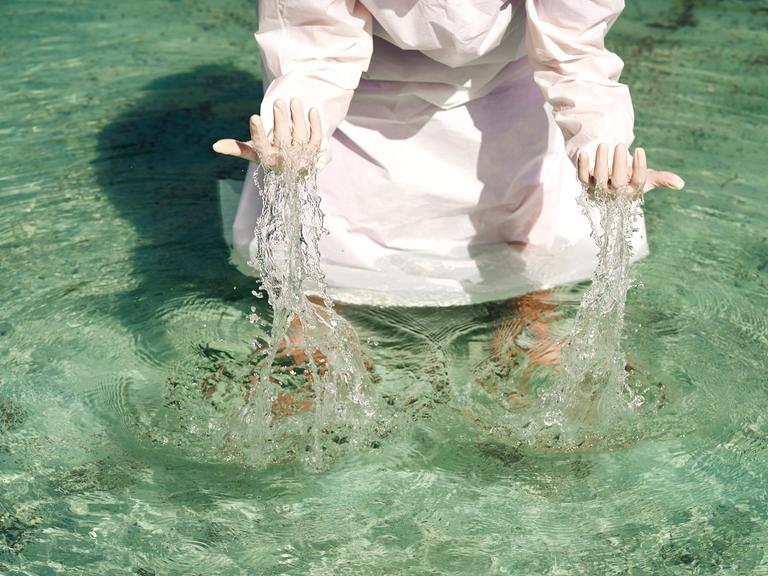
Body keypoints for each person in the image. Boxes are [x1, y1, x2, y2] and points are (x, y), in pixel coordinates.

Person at [212, 1, 684, 386]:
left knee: (531, 248)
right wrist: (294, 129)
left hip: (510, 90)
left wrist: (599, 143)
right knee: (319, 240)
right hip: (361, 100)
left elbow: (573, 52)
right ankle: (309, 329)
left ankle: (531, 321)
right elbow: (314, 50)